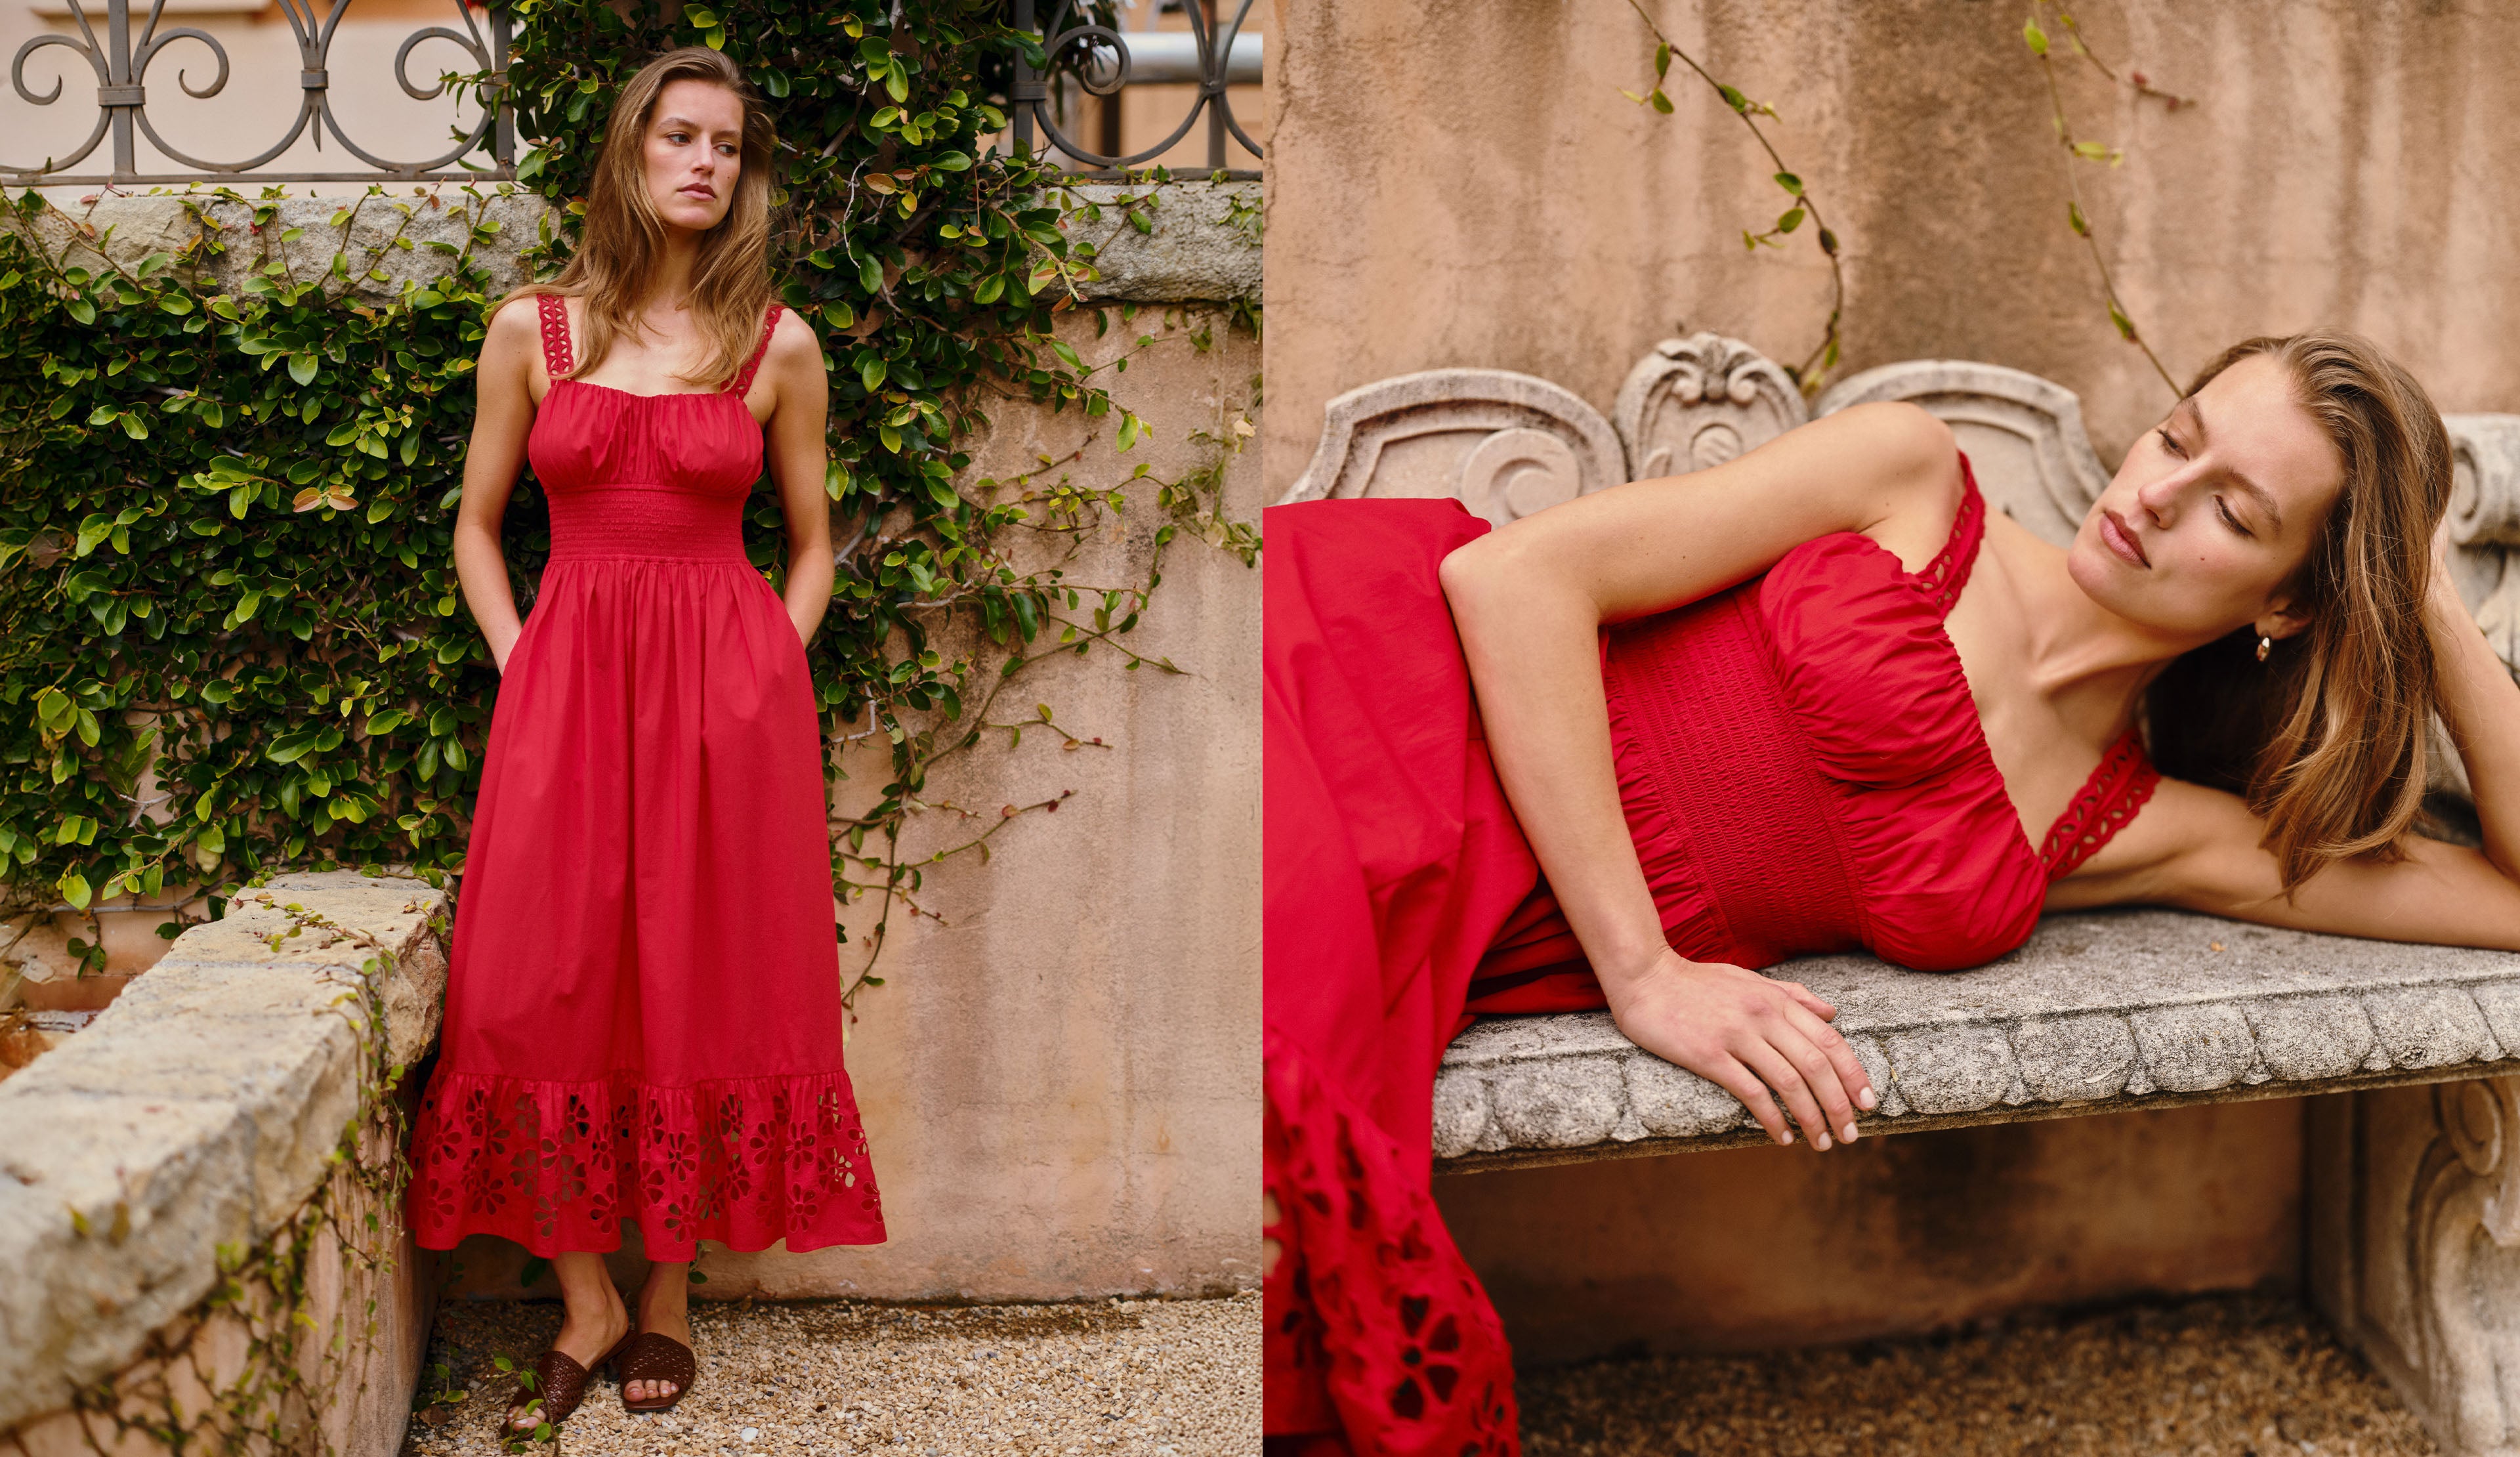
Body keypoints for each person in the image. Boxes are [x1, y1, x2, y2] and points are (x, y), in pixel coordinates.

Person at [1261, 330, 2520, 1455]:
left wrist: (2418, 593)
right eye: (2173, 437)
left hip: (1463, 924)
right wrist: (1645, 976)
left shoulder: (2137, 826)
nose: (2151, 495)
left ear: (2293, 601)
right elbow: (1515, 582)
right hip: (1378, 700)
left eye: (2232, 515)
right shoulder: (1911, 478)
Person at [402, 46, 885, 1434]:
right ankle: (587, 1299)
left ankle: (665, 1298)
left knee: (703, 977)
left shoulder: (777, 344)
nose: (705, 164)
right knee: (530, 980)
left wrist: (762, 672)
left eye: (728, 146)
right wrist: (521, 652)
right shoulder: (532, 331)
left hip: (727, 710)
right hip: (568, 687)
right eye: (680, 136)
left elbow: (809, 549)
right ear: (631, 153)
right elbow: (479, 527)